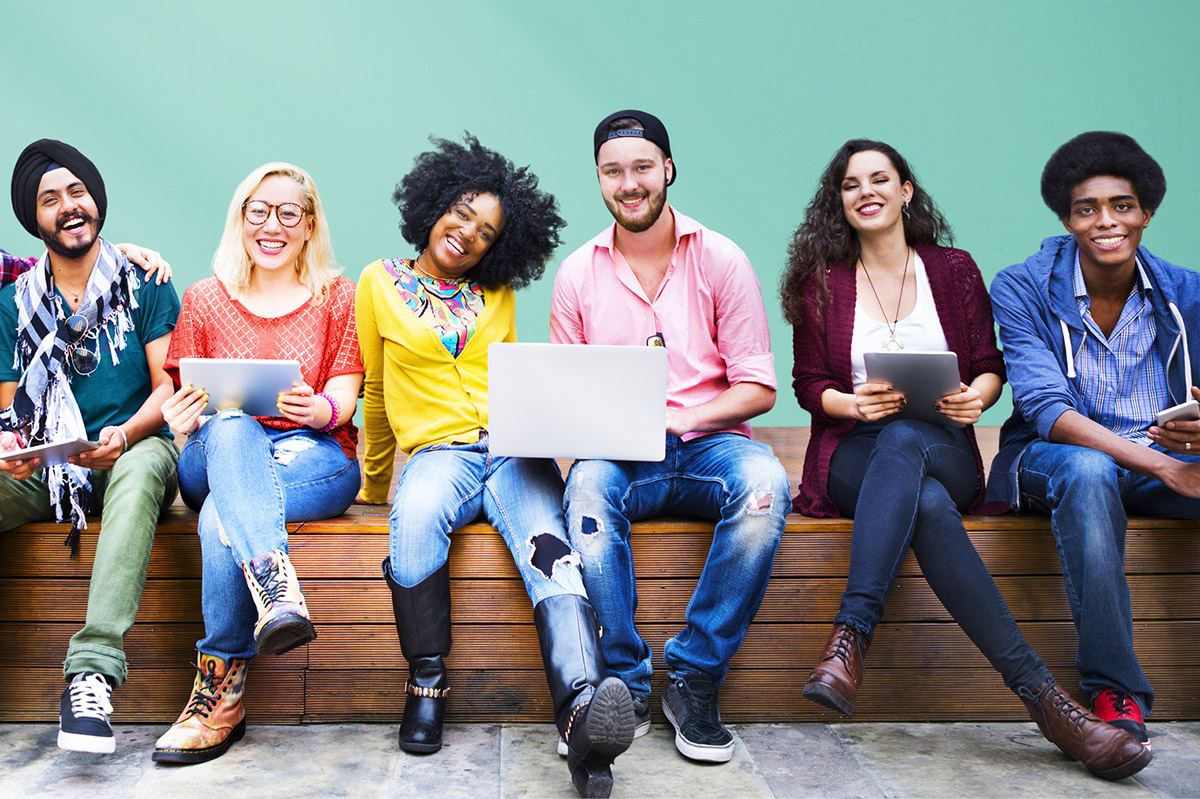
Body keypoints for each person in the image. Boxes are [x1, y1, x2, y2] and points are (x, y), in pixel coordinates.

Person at [781, 138, 1150, 780]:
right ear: (838, 203)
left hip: (945, 446)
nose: (865, 191)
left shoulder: (951, 269)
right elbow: (808, 382)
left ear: (905, 192)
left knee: (911, 445)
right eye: (850, 184)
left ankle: (850, 638)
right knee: (910, 479)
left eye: (880, 179)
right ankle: (1051, 705)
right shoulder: (824, 282)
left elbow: (989, 366)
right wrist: (850, 403)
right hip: (853, 455)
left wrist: (973, 400)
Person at [356, 134, 634, 799]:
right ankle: (427, 681)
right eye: (460, 213)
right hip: (439, 454)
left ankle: (581, 712)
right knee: (416, 517)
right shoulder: (379, 282)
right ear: (433, 204)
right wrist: (372, 483)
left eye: (485, 233)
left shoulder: (498, 294)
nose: (467, 235)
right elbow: (372, 389)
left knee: (555, 555)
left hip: (512, 449)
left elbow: (516, 379)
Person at [550, 110, 789, 765]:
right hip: (625, 455)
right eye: (613, 171)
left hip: (710, 443)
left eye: (642, 168)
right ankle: (623, 680)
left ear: (668, 170)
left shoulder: (721, 258)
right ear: (599, 178)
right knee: (589, 487)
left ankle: (694, 673)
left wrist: (686, 417)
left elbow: (759, 387)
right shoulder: (577, 273)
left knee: (766, 483)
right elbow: (567, 394)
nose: (629, 183)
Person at [989, 130, 1200, 751]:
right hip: (1049, 460)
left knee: (1104, 472)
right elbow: (1047, 410)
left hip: (1157, 459)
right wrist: (1166, 468)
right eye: (1088, 209)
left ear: (1147, 213)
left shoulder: (1187, 293)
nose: (1106, 221)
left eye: (1122, 205)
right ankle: (1115, 689)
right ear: (1066, 217)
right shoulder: (1022, 286)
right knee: (1087, 470)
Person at [151, 163, 362, 764]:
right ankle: (275, 586)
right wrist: (183, 417)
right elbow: (179, 398)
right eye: (258, 211)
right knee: (233, 423)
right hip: (211, 453)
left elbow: (343, 401)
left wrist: (318, 408)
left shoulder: (337, 298)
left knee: (226, 509)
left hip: (311, 457)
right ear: (241, 219)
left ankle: (218, 692)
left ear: (309, 223)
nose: (271, 225)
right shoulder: (204, 298)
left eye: (287, 212)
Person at [0, 139, 181, 753]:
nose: (68, 207)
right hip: (51, 469)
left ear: (96, 201)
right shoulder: (13, 304)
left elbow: (169, 387)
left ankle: (92, 673)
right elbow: (8, 410)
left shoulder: (145, 281)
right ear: (35, 219)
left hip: (135, 448)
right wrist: (19, 447)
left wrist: (125, 433)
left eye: (77, 192)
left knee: (145, 464)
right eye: (50, 200)